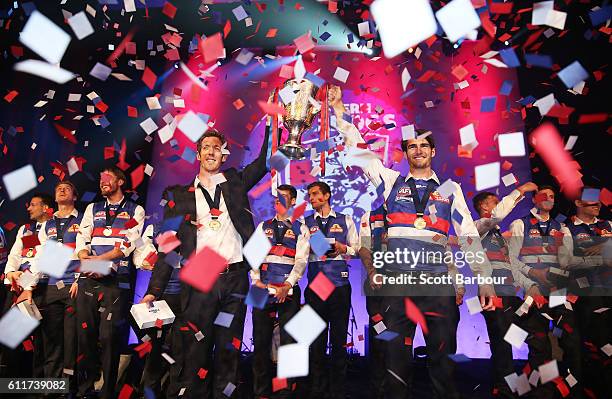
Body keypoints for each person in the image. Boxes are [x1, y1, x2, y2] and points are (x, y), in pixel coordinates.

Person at [333, 84, 495, 398]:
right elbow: (360, 152)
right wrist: (340, 112)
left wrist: (484, 280)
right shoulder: (390, 181)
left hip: (438, 286)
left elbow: (468, 237)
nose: (418, 151)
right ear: (406, 152)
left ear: (433, 151)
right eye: (411, 146)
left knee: (443, 364)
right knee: (395, 365)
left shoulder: (449, 189)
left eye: (424, 146)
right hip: (398, 284)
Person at [141, 126, 270, 398]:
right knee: (194, 349)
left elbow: (265, 161)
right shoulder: (179, 194)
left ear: (224, 156)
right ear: (198, 155)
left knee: (228, 350)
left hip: (235, 274)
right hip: (201, 271)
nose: (211, 151)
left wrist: (273, 123)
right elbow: (168, 245)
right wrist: (154, 290)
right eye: (206, 147)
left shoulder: (234, 182)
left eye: (217, 148)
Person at [75, 166, 145, 398]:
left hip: (118, 281)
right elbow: (82, 238)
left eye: (108, 178)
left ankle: (107, 391)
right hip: (90, 278)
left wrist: (99, 261)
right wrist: (87, 259)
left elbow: (128, 244)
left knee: (109, 338)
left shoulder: (136, 210)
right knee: (85, 336)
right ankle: (86, 389)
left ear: (121, 181)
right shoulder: (91, 208)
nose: (103, 182)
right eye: (101, 178)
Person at [508, 186, 581, 398]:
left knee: (571, 340)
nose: (548, 199)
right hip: (532, 291)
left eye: (552, 196)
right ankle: (537, 391)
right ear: (534, 199)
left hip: (557, 290)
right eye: (544, 195)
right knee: (538, 345)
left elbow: (568, 262)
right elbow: (511, 260)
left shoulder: (562, 228)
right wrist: (531, 276)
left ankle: (567, 389)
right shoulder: (520, 224)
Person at [472, 183, 542, 398]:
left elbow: (511, 264)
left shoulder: (499, 235)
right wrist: (520, 190)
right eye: (495, 202)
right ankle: (505, 391)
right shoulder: (476, 228)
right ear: (485, 207)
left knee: (537, 336)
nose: (499, 205)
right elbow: (499, 214)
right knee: (503, 346)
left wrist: (530, 286)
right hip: (493, 295)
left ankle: (532, 384)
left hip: (511, 296)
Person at [250, 184, 309, 399]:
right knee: (260, 342)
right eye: (276, 199)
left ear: (293, 202)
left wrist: (288, 285)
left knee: (289, 346)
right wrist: (256, 281)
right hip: (259, 289)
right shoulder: (262, 225)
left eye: (283, 198)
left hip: (288, 289)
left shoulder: (301, 228)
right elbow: (253, 258)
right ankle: (261, 393)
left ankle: (285, 393)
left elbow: (301, 261)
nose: (278, 202)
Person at [304, 181, 360, 399]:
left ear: (327, 195)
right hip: (316, 285)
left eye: (316, 194)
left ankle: (338, 390)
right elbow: (301, 251)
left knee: (338, 341)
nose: (312, 198)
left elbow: (356, 250)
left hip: (339, 285)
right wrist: (315, 245)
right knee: (316, 341)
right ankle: (317, 389)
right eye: (309, 195)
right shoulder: (304, 222)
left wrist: (343, 248)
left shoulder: (345, 219)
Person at [558, 190, 612, 397]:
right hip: (587, 293)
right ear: (579, 202)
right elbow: (565, 261)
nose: (597, 204)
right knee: (595, 344)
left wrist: (602, 245)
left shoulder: (608, 226)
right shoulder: (566, 229)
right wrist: (601, 258)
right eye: (591, 201)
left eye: (598, 201)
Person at [32, 181, 82, 393]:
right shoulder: (47, 225)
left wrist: (79, 279)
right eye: (58, 188)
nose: (61, 190)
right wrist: (29, 285)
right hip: (52, 287)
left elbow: (84, 250)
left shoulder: (83, 220)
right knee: (51, 340)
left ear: (75, 196)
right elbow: (40, 257)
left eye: (67, 188)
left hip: (74, 286)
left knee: (71, 340)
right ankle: (50, 387)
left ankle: (69, 388)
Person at [2, 192, 53, 379]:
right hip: (17, 288)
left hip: (41, 288)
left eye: (33, 204)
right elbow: (16, 255)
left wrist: (26, 283)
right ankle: (9, 383)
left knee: (42, 341)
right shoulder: (27, 229)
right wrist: (10, 273)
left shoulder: (54, 228)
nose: (29, 208)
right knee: (10, 338)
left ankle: (40, 385)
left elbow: (43, 260)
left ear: (45, 208)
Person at [132, 222, 183, 398]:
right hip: (160, 297)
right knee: (156, 347)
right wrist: (148, 260)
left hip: (187, 298)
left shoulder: (198, 228)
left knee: (179, 347)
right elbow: (140, 252)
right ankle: (150, 391)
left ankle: (175, 391)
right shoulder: (156, 228)